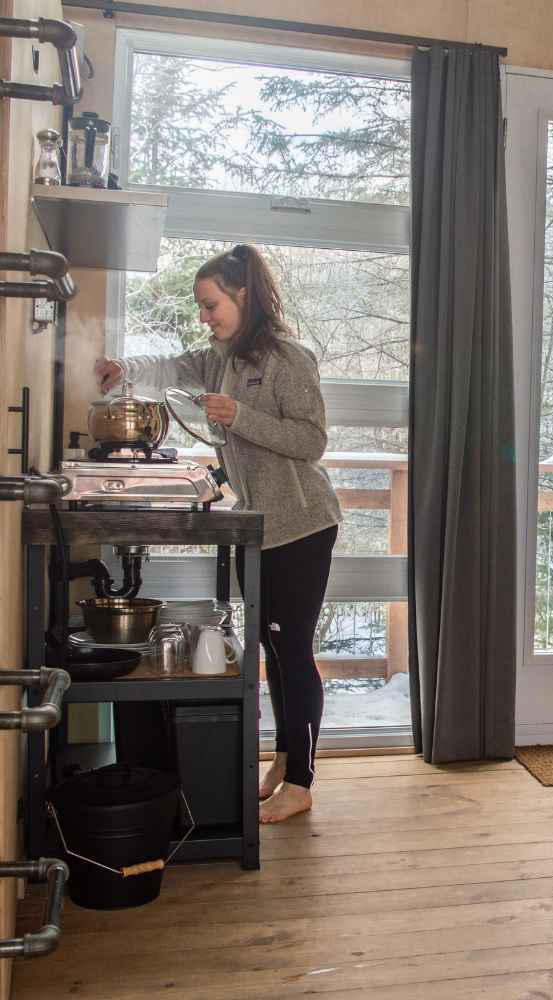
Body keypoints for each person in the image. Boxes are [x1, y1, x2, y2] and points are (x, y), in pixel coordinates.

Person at [93, 243, 342, 823]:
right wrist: (124, 368)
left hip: (301, 525)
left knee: (291, 651)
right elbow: (171, 368)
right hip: (258, 527)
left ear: (243, 296)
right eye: (201, 308)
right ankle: (285, 758)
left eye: (211, 305)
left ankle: (302, 782)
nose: (204, 317)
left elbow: (312, 442)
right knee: (270, 650)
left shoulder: (288, 358)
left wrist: (240, 418)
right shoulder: (219, 358)